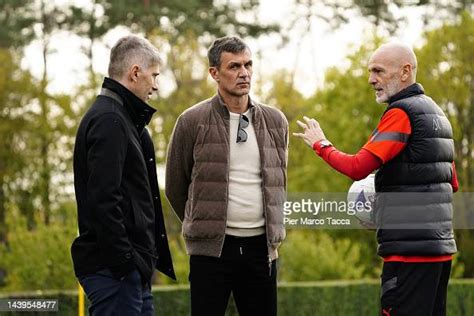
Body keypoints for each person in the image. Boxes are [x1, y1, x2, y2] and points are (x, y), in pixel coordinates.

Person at [294, 42, 459, 316]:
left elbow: (358, 167)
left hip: (408, 254)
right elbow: (451, 184)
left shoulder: (401, 113)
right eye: (371, 71)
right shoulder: (438, 115)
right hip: (439, 252)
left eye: (378, 71)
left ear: (405, 71)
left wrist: (321, 144)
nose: (371, 79)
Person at [165, 36, 288, 316]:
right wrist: (202, 223)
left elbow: (278, 181)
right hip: (211, 253)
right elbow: (175, 186)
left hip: (261, 250)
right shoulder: (191, 121)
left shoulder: (276, 121)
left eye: (248, 65)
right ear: (214, 73)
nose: (244, 73)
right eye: (234, 66)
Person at [71, 35, 175, 316]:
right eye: (154, 76)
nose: (155, 85)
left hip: (127, 271)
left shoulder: (123, 119)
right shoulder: (110, 120)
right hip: (116, 272)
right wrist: (125, 262)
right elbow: (104, 199)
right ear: (135, 73)